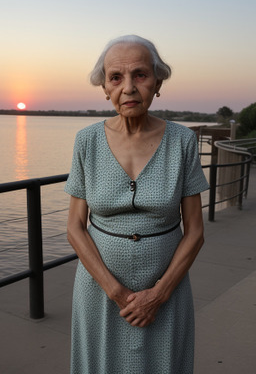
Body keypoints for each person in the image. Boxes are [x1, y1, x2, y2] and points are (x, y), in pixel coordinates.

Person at [65, 34, 209, 374]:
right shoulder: (86, 141)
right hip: (99, 293)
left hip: (167, 293)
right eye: (116, 77)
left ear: (158, 82)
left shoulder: (182, 141)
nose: (128, 87)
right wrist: (115, 291)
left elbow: (196, 232)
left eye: (140, 75)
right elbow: (74, 227)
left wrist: (157, 295)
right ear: (104, 87)